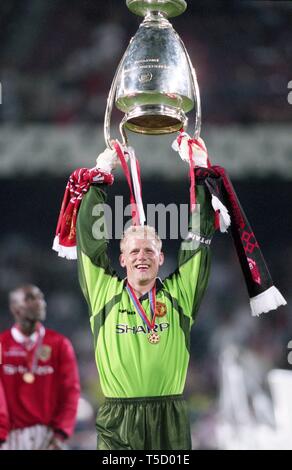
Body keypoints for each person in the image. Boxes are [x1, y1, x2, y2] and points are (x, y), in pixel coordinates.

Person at [76, 146, 215, 450]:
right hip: (118, 420)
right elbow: (89, 240)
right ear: (122, 259)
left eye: (149, 250)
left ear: (162, 258)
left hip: (170, 418)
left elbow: (198, 241)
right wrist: (100, 178)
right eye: (134, 251)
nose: (142, 256)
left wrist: (200, 173)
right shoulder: (104, 292)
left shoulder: (181, 294)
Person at [0, 284, 80, 450]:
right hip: (8, 438)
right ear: (15, 309)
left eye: (41, 298)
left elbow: (71, 392)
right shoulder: (1, 344)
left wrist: (60, 434)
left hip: (49, 438)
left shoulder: (60, 344)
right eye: (30, 298)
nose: (39, 303)